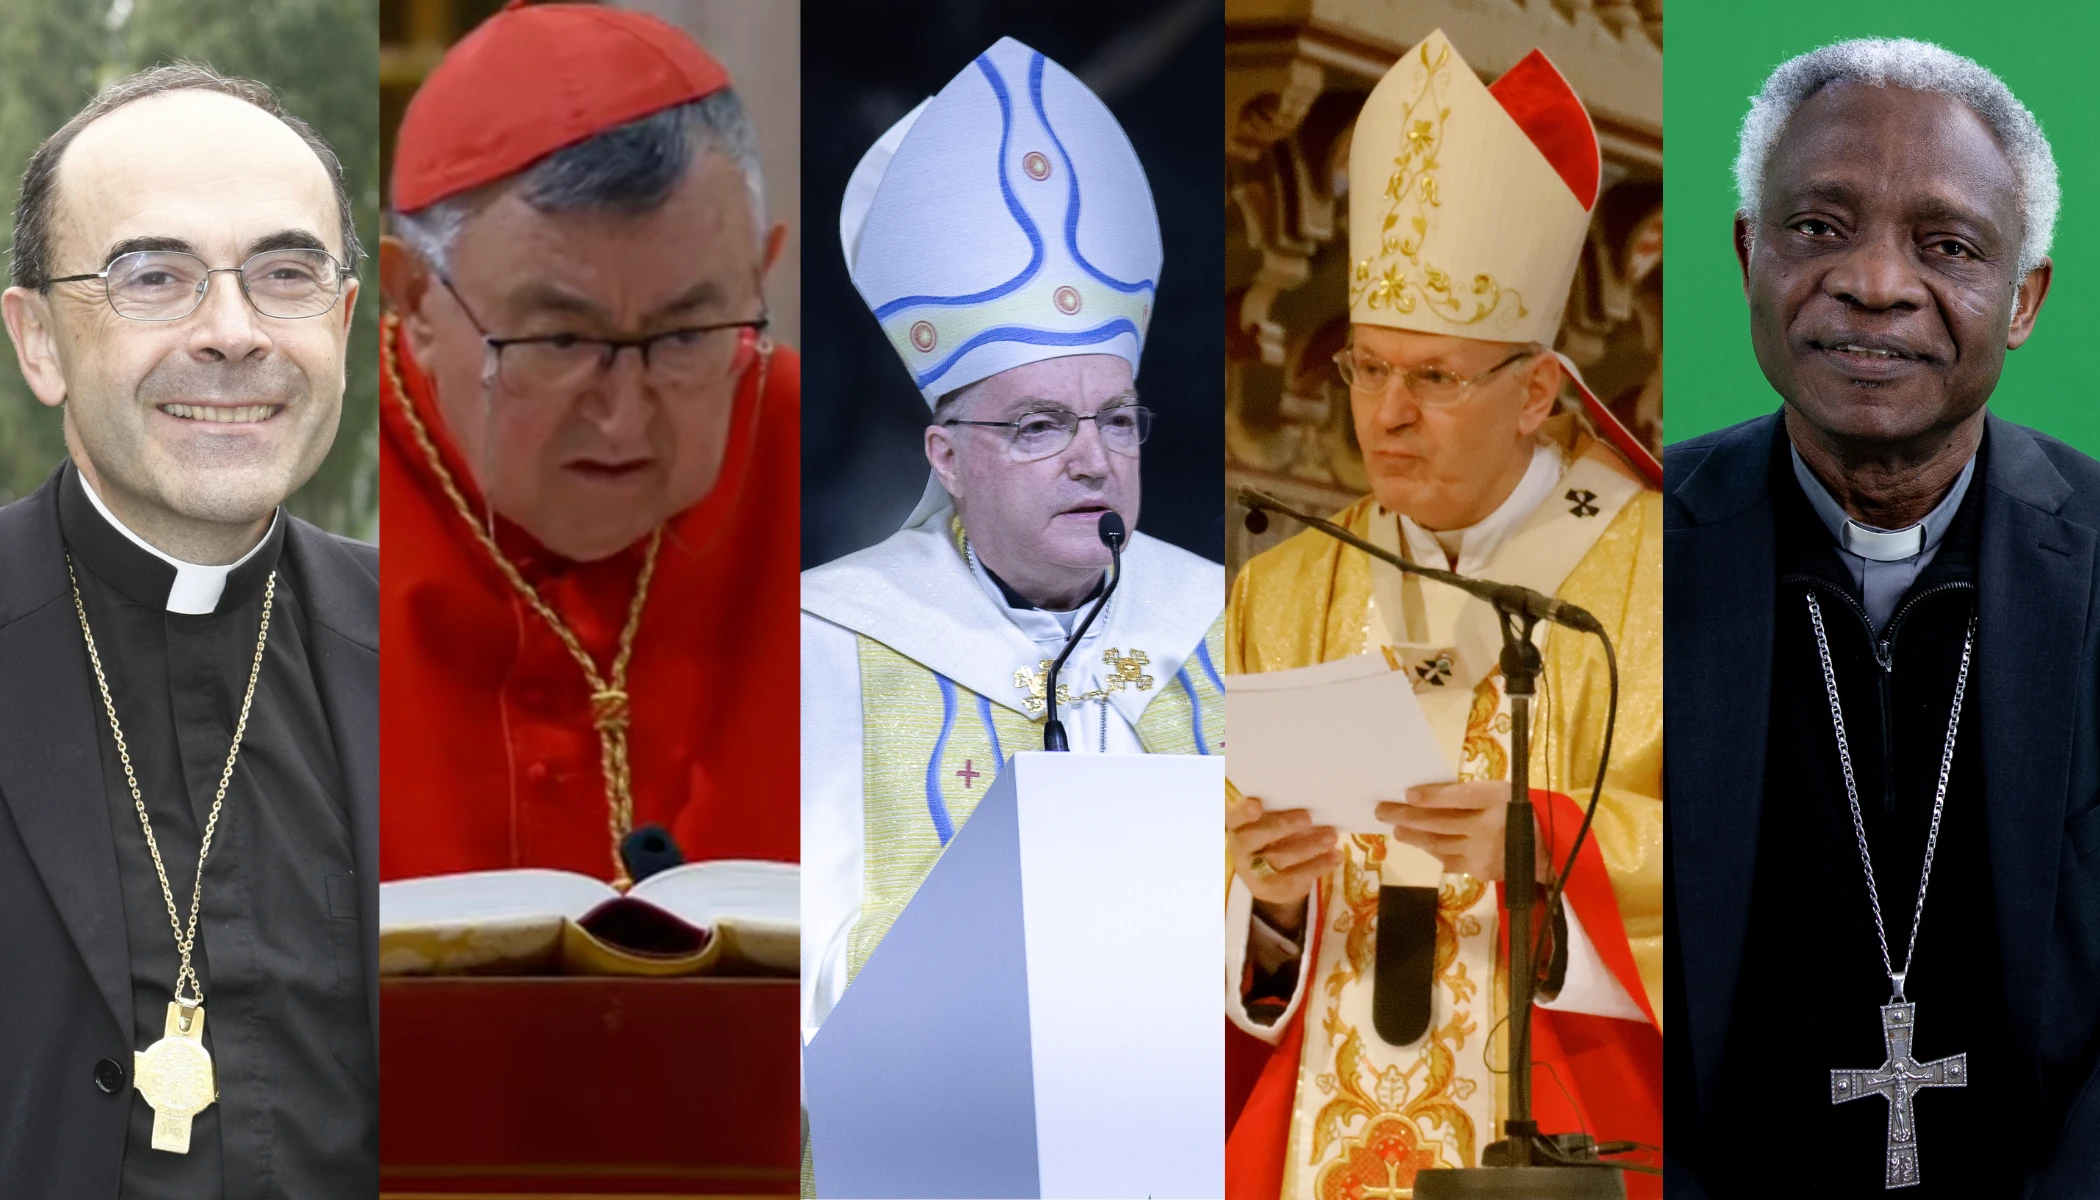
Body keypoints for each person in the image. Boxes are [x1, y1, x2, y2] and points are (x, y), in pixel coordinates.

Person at [1222, 31, 1665, 1199]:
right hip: (1318, 1130)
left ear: (1536, 392)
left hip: (1555, 1132)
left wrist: (1549, 848)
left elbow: (1748, 857)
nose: (1387, 415)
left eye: (1432, 376)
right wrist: (1262, 904)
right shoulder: (1283, 589)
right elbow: (1214, 904)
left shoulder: (1663, 574)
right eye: (1365, 369)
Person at [1665, 38, 2100, 1197]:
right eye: (1818, 227)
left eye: (1947, 247)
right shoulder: (1621, 550)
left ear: (2025, 301)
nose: (1875, 283)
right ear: (1751, 253)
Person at [800, 36, 1225, 1039]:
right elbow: (794, 958)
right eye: (1039, 426)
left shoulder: (1221, 626)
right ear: (946, 458)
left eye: (1116, 421)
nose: (1092, 461)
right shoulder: (829, 640)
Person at [0, 65, 376, 1196]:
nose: (232, 332)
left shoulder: (457, 660)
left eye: (287, 273)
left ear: (345, 320)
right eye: (153, 276)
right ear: (40, 343)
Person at [378, 3, 798, 885]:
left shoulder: (839, 474)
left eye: (688, 336)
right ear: (416, 300)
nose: (624, 421)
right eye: (560, 343)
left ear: (760, 271)